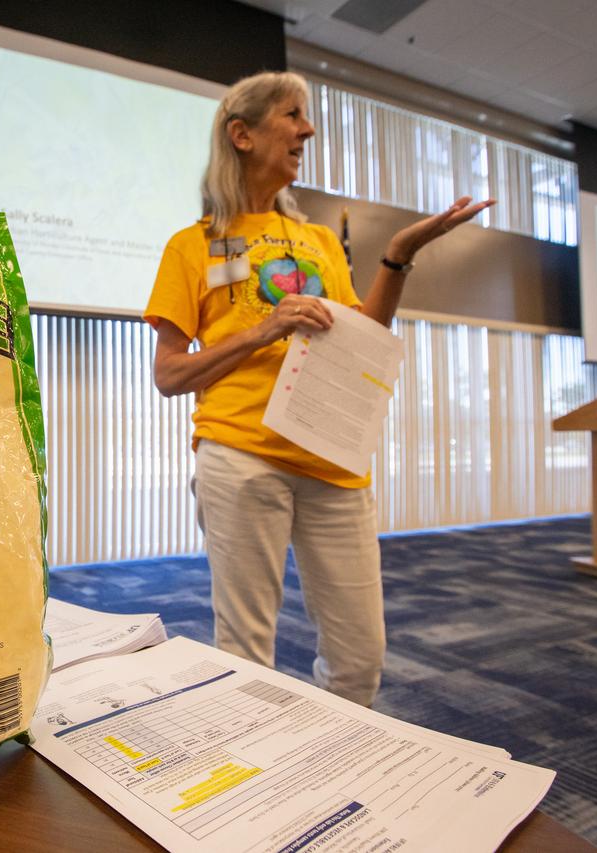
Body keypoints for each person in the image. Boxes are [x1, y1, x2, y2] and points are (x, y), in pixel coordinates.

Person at [144, 71, 493, 707]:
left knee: (360, 657)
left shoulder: (320, 241)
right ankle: (256, 787)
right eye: (293, 115)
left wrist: (398, 255)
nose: (308, 130)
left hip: (334, 458)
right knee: (247, 657)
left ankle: (330, 765)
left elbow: (362, 331)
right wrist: (261, 330)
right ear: (241, 134)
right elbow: (169, 374)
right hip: (241, 454)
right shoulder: (191, 245)